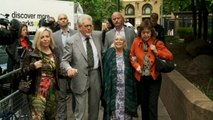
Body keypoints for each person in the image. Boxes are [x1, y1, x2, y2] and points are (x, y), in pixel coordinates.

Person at [60, 14, 102, 120]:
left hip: (95, 75)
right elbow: (64, 61)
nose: (89, 28)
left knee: (94, 107)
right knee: (80, 110)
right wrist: (69, 69)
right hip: (79, 77)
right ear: (79, 27)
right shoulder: (71, 41)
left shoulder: (98, 36)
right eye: (86, 26)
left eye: (90, 26)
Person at [130, 19, 173, 120]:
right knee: (144, 104)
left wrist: (157, 51)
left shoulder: (157, 43)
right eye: (143, 32)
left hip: (154, 78)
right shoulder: (136, 41)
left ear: (151, 32)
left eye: (148, 32)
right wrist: (137, 66)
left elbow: (170, 56)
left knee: (152, 104)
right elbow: (132, 57)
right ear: (140, 32)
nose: (145, 35)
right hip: (141, 78)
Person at [20, 27, 60, 120]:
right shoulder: (31, 53)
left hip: (52, 92)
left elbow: (58, 71)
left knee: (51, 117)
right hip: (37, 91)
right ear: (38, 39)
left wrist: (68, 72)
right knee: (38, 118)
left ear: (50, 38)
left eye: (47, 36)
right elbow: (21, 72)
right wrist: (33, 66)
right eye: (42, 37)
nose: (45, 39)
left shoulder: (55, 53)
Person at [102, 34, 138, 120]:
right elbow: (105, 71)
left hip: (126, 88)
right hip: (113, 89)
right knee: (114, 111)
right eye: (116, 39)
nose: (118, 41)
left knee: (126, 111)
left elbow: (133, 70)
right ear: (114, 42)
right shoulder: (109, 53)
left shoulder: (128, 54)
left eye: (121, 40)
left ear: (124, 43)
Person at [52, 13, 76, 120]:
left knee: (76, 95)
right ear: (58, 22)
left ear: (68, 20)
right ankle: (62, 118)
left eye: (64, 18)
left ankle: (76, 117)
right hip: (61, 71)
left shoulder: (76, 33)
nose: (63, 20)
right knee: (61, 97)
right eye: (60, 19)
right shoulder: (54, 36)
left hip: (74, 69)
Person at [6, 23, 33, 91]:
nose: (25, 31)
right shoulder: (14, 43)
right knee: (17, 91)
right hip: (18, 70)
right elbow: (13, 57)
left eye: (26, 29)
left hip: (27, 69)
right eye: (23, 30)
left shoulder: (29, 42)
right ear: (20, 31)